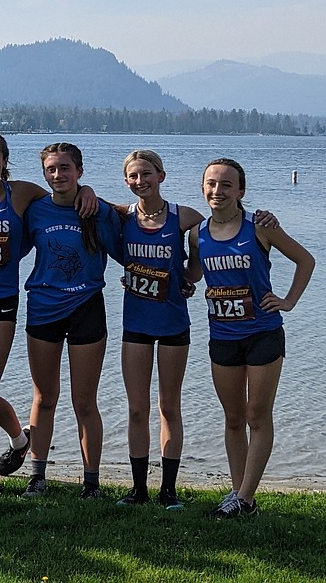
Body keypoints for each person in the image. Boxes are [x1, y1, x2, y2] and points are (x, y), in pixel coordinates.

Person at [0, 133, 95, 496]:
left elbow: (62, 198)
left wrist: (87, 188)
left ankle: (19, 439)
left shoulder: (23, 193)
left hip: (2, 301)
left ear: (4, 160)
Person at [199, 158, 314, 519]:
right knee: (233, 418)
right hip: (222, 336)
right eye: (212, 184)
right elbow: (190, 271)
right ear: (203, 188)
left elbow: (305, 261)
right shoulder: (196, 233)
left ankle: (245, 497)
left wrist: (289, 301)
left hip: (262, 333)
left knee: (257, 415)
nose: (218, 191)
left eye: (226, 185)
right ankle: (238, 495)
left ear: (241, 191)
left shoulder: (260, 227)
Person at [20, 142, 122, 500]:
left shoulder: (98, 211)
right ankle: (37, 477)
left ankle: (91, 483)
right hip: (43, 309)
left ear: (79, 171)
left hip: (86, 308)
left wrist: (180, 275)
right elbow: (6, 250)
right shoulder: (35, 212)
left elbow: (130, 252)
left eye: (65, 168)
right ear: (44, 174)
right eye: (51, 169)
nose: (58, 175)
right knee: (45, 397)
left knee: (85, 401)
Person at [114, 150, 203, 510]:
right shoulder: (123, 217)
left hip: (172, 324)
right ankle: (138, 490)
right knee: (137, 409)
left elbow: (210, 246)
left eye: (147, 174)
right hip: (135, 324)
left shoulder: (184, 217)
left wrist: (189, 277)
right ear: (126, 181)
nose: (141, 181)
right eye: (134, 176)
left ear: (162, 176)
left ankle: (169, 490)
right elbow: (86, 208)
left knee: (169, 407)